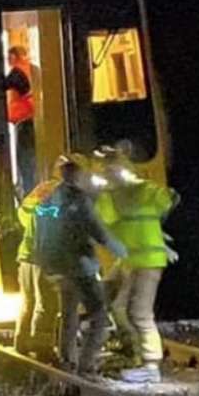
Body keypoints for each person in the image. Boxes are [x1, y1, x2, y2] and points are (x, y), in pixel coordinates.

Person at [33, 153, 126, 375]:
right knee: (99, 315)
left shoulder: (49, 199)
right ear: (78, 175)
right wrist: (123, 251)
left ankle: (67, 362)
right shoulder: (80, 201)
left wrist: (44, 262)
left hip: (57, 267)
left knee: (69, 315)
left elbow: (41, 231)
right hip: (80, 266)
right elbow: (98, 232)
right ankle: (87, 365)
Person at [96, 147, 179, 383]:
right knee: (119, 308)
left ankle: (151, 365)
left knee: (139, 313)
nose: (109, 172)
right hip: (133, 261)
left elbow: (167, 199)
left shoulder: (140, 189)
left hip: (147, 261)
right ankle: (134, 354)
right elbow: (106, 222)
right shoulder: (113, 196)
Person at [13, 157, 65, 362]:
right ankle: (42, 348)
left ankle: (22, 342)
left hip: (27, 254)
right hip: (46, 257)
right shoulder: (63, 193)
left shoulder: (41, 189)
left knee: (28, 301)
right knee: (48, 303)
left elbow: (23, 215)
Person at [5, 45, 36, 196]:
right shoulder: (32, 69)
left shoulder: (16, 73)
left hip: (24, 122)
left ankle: (28, 193)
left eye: (8, 57)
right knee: (32, 161)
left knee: (24, 163)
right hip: (34, 120)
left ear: (14, 57)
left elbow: (0, 90)